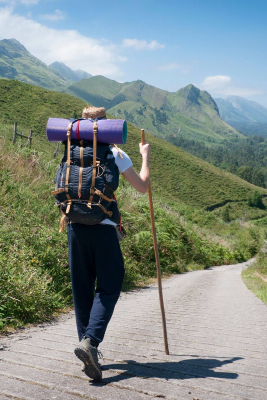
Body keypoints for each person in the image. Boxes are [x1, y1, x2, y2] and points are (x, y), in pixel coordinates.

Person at [68, 106, 149, 381]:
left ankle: (85, 347)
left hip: (74, 227)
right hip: (104, 229)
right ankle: (90, 343)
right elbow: (142, 186)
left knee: (82, 289)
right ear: (104, 126)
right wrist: (145, 157)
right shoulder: (115, 152)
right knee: (110, 285)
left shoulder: (72, 152)